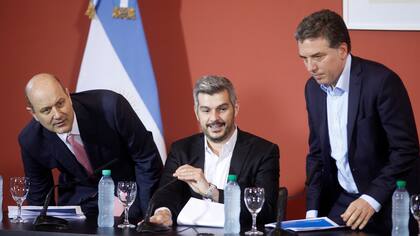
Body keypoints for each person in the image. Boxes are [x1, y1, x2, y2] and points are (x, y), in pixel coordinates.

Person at [295, 9, 420, 233]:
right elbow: (316, 155)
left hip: (389, 199)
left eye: (318, 57)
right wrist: (312, 212)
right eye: (304, 58)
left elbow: (406, 150)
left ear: (342, 50)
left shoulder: (382, 82)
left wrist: (371, 199)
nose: (310, 67)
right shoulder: (312, 89)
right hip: (345, 200)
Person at [19, 73, 163, 218]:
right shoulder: (30, 140)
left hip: (126, 191)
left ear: (68, 95)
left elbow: (146, 158)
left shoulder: (111, 107)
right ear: (34, 114)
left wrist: (148, 215)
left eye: (60, 103)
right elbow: (38, 195)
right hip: (79, 199)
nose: (57, 115)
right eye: (46, 110)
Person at [148, 75, 279, 227]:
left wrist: (212, 192)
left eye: (222, 109)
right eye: (206, 110)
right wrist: (163, 212)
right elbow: (165, 195)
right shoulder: (181, 150)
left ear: (235, 109)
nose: (214, 118)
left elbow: (267, 212)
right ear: (197, 113)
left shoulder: (264, 151)